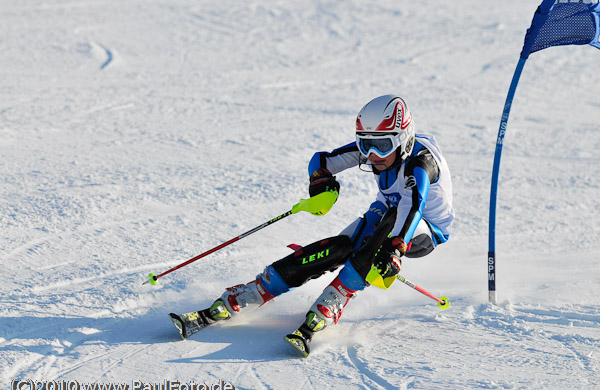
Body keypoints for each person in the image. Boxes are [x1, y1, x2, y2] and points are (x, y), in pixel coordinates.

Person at [170, 94, 454, 356]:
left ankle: (334, 300)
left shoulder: (420, 163)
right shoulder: (376, 150)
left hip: (424, 228)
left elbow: (413, 206)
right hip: (386, 212)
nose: (372, 155)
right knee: (339, 247)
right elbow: (323, 160)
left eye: (381, 146)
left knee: (381, 237)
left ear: (402, 139)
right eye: (365, 145)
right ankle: (255, 290)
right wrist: (320, 181)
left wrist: (396, 247)